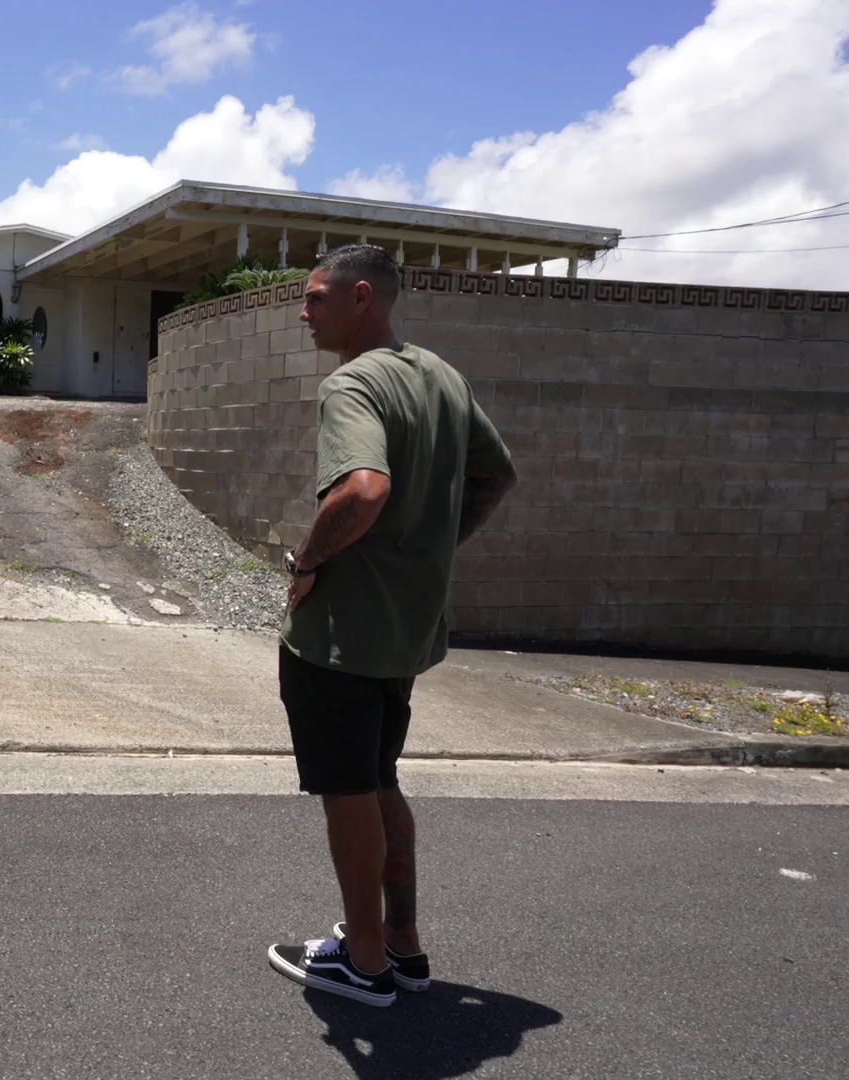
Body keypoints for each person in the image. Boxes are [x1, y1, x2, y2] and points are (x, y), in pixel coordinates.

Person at [266, 245, 518, 1007]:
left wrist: (306, 561)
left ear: (362, 298)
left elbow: (364, 490)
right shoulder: (441, 376)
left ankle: (365, 961)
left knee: (348, 791)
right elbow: (496, 474)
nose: (303, 313)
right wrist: (431, 544)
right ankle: (402, 946)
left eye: (316, 298)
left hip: (342, 637)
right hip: (406, 629)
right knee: (379, 780)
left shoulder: (353, 383)